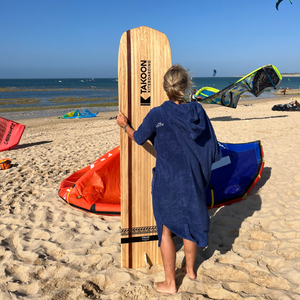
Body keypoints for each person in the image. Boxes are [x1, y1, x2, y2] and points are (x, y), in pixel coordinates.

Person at [116, 64, 222, 294]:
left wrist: (125, 126)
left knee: (165, 229)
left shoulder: (158, 114)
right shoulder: (198, 111)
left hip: (168, 180)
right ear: (186, 86)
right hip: (193, 179)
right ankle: (191, 271)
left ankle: (170, 283)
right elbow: (210, 145)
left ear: (165, 87)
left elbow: (140, 138)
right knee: (190, 226)